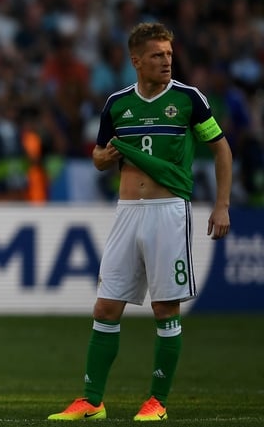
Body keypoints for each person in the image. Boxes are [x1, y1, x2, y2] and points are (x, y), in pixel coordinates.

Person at [47, 22, 232, 421]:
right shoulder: (117, 104)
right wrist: (103, 158)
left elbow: (221, 150)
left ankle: (157, 402)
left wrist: (222, 205)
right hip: (127, 212)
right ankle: (92, 402)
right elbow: (98, 155)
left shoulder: (188, 99)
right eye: (157, 55)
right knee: (105, 308)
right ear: (136, 60)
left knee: (165, 309)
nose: (166, 61)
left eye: (169, 54)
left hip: (168, 212)